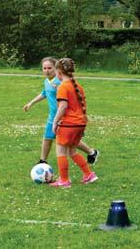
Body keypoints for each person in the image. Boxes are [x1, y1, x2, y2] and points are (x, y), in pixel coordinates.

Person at [23, 57, 99, 165]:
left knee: (70, 142)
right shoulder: (46, 81)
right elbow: (44, 93)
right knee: (47, 138)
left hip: (64, 117)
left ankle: (91, 152)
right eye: (44, 68)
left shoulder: (61, 82)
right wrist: (31, 103)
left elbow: (69, 98)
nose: (47, 70)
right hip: (52, 117)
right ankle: (43, 161)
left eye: (49, 68)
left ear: (56, 68)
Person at [50, 58, 98, 188]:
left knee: (61, 152)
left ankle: (64, 180)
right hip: (80, 123)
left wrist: (55, 122)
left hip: (68, 124)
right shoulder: (78, 86)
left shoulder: (63, 87)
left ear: (59, 72)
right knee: (72, 151)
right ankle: (89, 175)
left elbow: (63, 106)